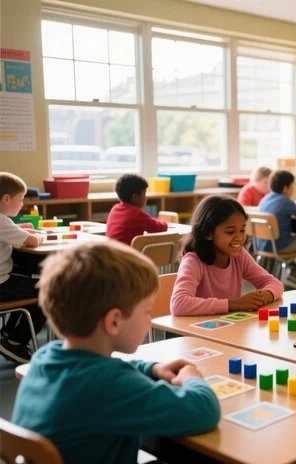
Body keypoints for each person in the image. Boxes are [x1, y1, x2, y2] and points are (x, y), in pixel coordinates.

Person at [12, 241, 220, 463]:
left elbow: (110, 371)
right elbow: (203, 411)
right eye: (146, 311)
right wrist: (193, 379)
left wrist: (152, 368)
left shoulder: (46, 357)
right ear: (113, 321)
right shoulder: (109, 385)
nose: (149, 320)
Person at [171, 196, 283, 316]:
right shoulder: (193, 261)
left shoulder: (239, 256)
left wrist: (264, 296)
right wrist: (234, 304)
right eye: (230, 232)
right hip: (196, 330)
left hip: (227, 327)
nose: (239, 238)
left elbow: (273, 282)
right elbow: (178, 304)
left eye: (242, 230)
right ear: (208, 233)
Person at [0, 172, 45, 363]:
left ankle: (8, 334)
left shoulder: (3, 221)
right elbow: (33, 241)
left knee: (26, 279)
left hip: (5, 276)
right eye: (20, 199)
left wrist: (20, 230)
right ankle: (16, 342)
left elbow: (10, 233)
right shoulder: (1, 221)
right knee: (47, 291)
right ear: (6, 198)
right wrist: (40, 235)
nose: (22, 204)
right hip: (2, 283)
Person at [258, 170, 296, 290]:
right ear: (286, 188)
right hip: (280, 245)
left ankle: (292, 271)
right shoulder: (284, 201)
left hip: (262, 244)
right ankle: (295, 277)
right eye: (292, 186)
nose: (293, 188)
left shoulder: (265, 198)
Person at [106, 173, 168, 245]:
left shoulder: (115, 209)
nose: (146, 198)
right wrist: (165, 223)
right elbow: (159, 228)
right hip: (125, 254)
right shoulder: (135, 213)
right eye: (144, 194)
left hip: (112, 253)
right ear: (135, 197)